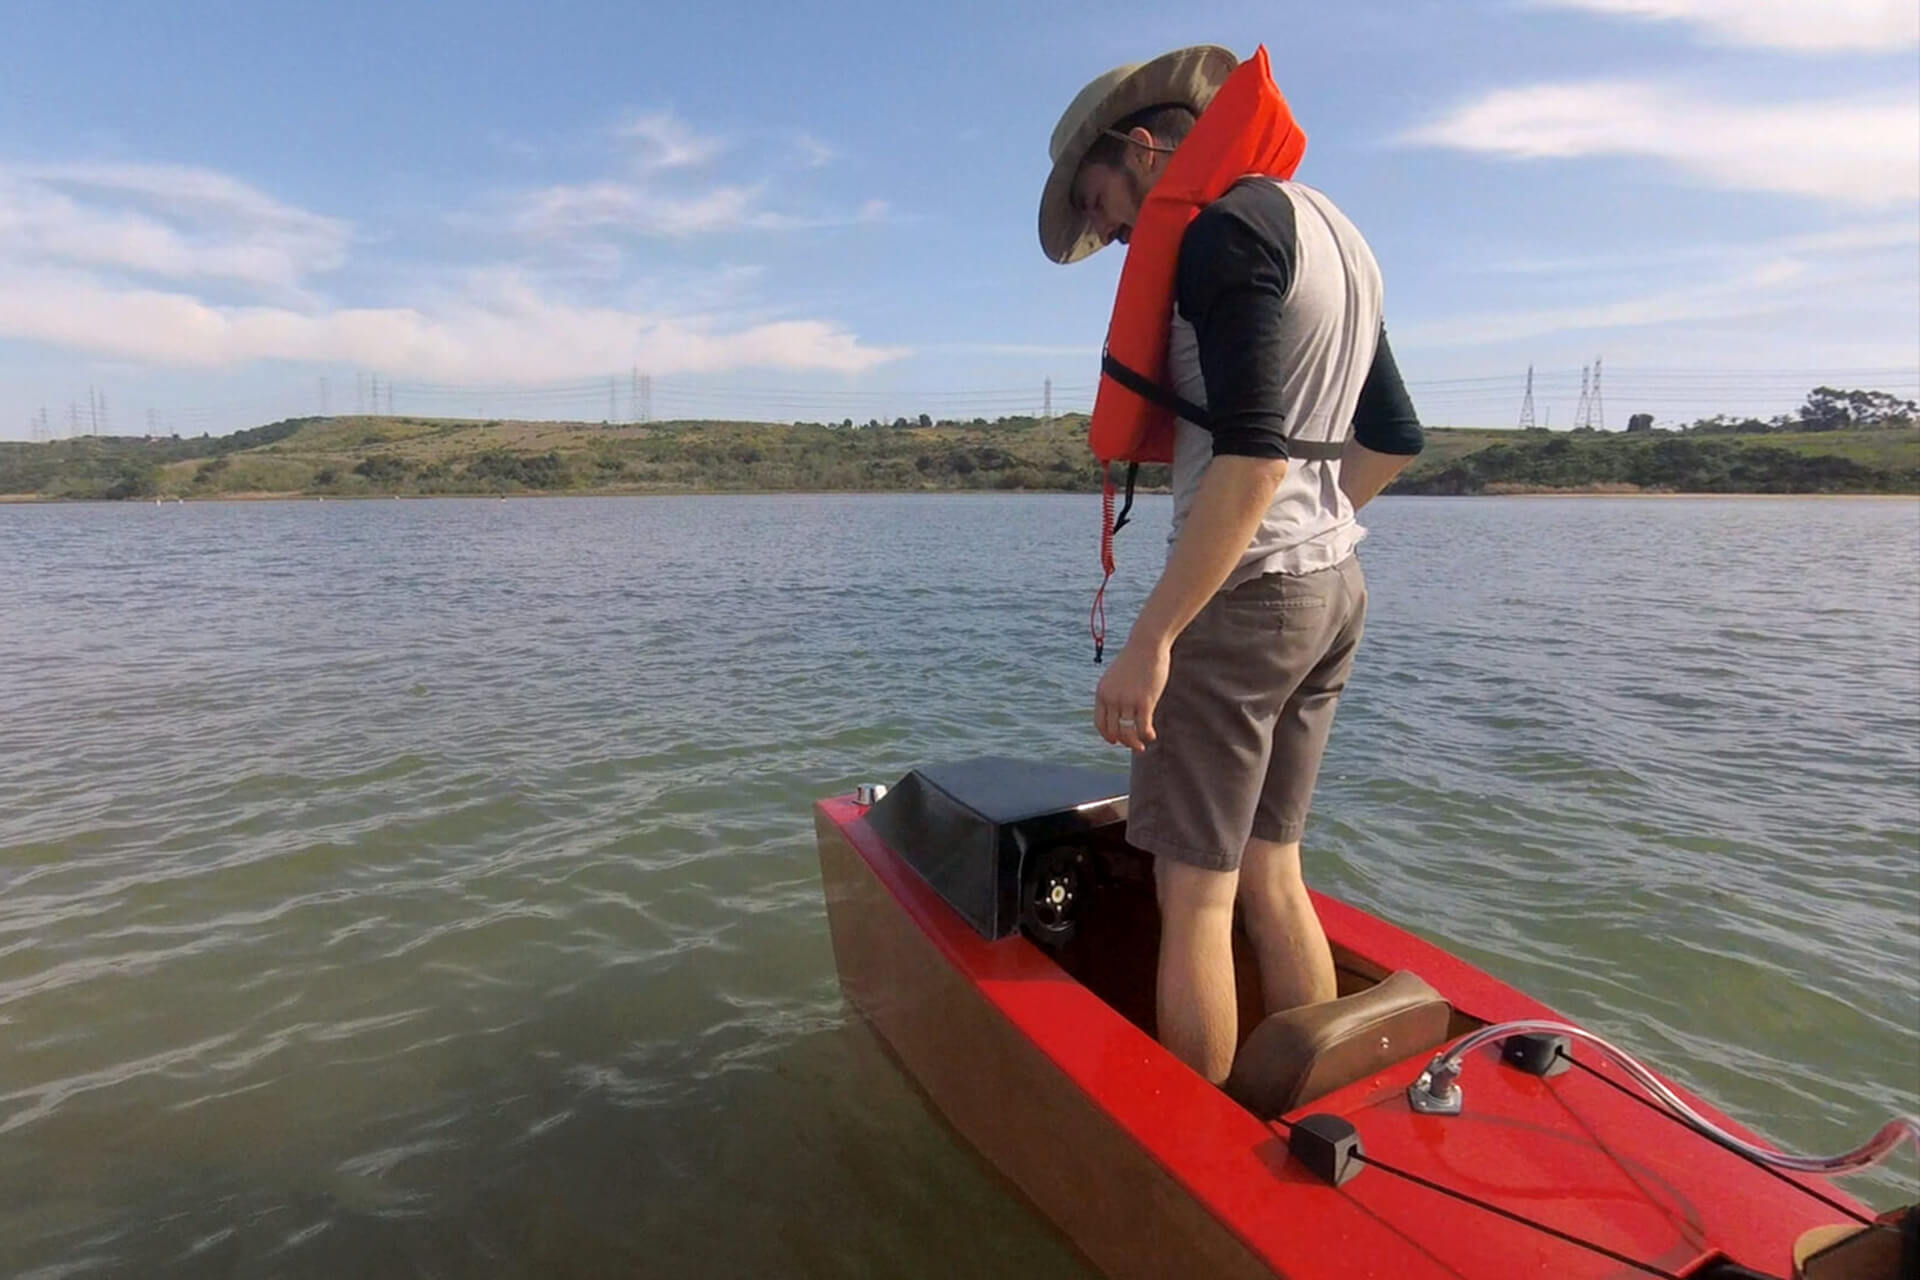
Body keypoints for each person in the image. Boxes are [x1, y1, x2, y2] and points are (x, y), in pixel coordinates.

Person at [1038, 45, 1426, 1085]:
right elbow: (1395, 437)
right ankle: (1314, 1104)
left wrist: (1153, 638)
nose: (1115, 236)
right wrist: (1312, 529)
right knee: (1272, 867)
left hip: (1245, 601)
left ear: (1142, 146)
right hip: (1334, 589)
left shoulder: (1223, 233)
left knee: (1195, 895)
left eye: (1101, 204)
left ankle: (1192, 1140)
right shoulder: (1334, 232)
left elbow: (1254, 459)